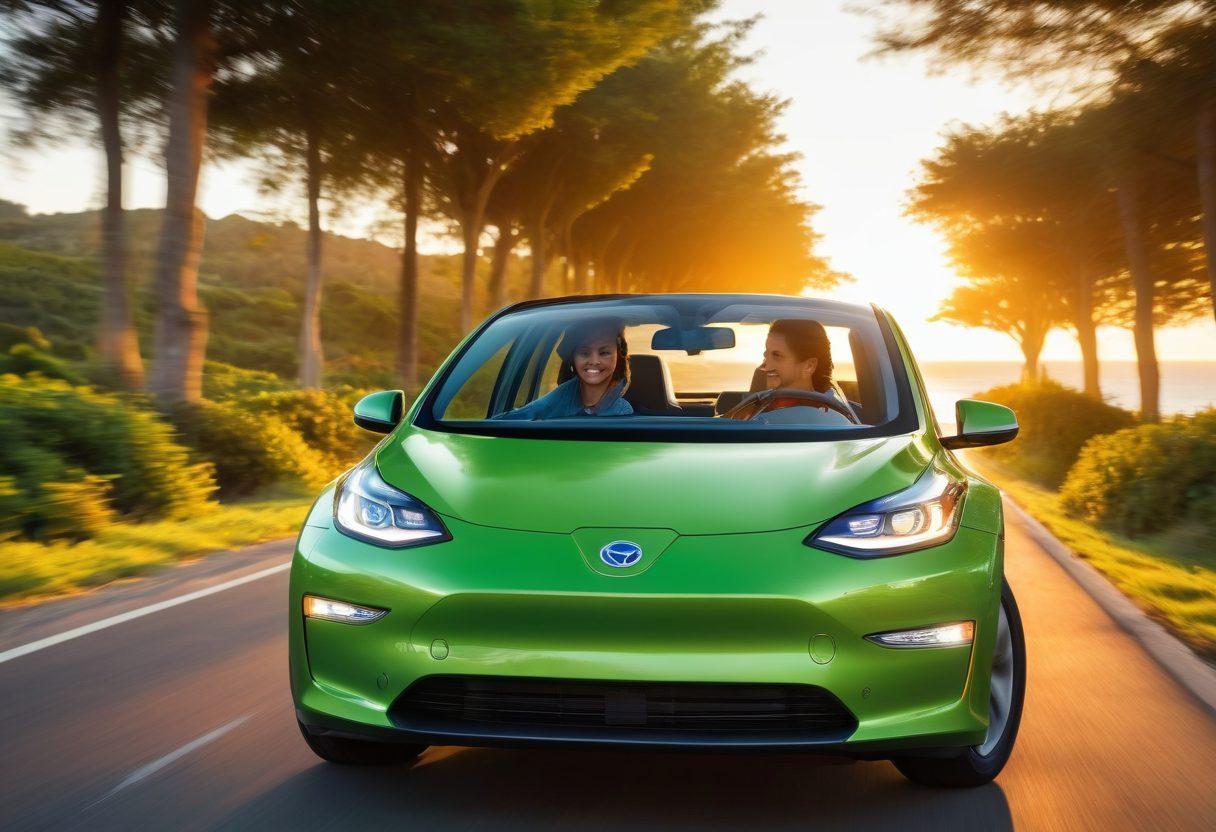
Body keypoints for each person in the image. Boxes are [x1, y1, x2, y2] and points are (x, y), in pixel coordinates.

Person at [496, 318, 633, 420]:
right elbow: (528, 413)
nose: (594, 361)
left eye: (604, 353)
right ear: (572, 357)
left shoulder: (622, 411)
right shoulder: (564, 394)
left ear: (618, 355)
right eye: (584, 353)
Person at [729, 318, 855, 421]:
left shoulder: (832, 417)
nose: (765, 366)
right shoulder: (753, 410)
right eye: (766, 355)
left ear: (809, 366)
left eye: (777, 356)